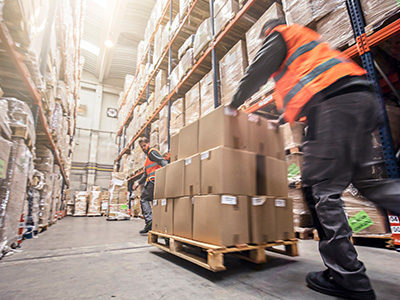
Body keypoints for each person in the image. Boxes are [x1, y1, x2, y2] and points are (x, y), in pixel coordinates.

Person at [229, 19, 400, 300]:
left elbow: (256, 72)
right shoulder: (307, 47)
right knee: (372, 187)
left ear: (266, 33)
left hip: (334, 105)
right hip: (359, 100)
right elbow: (300, 90)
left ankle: (348, 277)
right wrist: (280, 119)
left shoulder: (279, 35)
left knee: (320, 189)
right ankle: (343, 271)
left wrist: (233, 105)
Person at [133, 137, 168, 234]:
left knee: (144, 199)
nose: (143, 148)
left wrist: (169, 173)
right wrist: (138, 183)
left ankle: (149, 222)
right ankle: (158, 224)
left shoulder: (152, 152)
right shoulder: (148, 157)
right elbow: (145, 174)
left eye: (144, 145)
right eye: (141, 147)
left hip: (153, 180)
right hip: (155, 180)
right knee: (155, 202)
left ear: (148, 143)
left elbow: (163, 161)